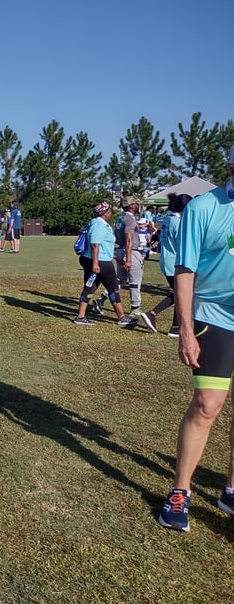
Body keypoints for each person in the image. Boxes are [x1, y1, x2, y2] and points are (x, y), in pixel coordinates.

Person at [157, 147, 234, 532]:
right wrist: (185, 329)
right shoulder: (204, 208)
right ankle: (180, 491)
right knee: (207, 405)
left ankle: (231, 491)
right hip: (213, 317)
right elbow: (184, 270)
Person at [72, 200, 138, 327]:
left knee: (90, 287)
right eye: (109, 210)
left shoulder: (96, 223)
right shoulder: (99, 225)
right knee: (113, 288)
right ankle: (122, 317)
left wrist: (116, 258)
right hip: (100, 262)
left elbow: (102, 246)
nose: (111, 212)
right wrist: (96, 263)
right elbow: (95, 244)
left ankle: (80, 316)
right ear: (105, 212)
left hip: (94, 259)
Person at [140, 193, 192, 336]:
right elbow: (183, 244)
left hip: (166, 260)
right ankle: (153, 314)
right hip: (175, 261)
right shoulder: (179, 223)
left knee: (179, 293)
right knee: (180, 293)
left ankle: (175, 327)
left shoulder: (168, 220)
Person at [114, 196, 144, 315]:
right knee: (135, 281)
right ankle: (135, 307)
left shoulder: (120, 219)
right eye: (136, 204)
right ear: (131, 205)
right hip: (130, 251)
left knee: (120, 280)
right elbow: (129, 240)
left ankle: (103, 298)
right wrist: (129, 260)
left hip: (121, 250)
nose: (138, 206)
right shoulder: (130, 219)